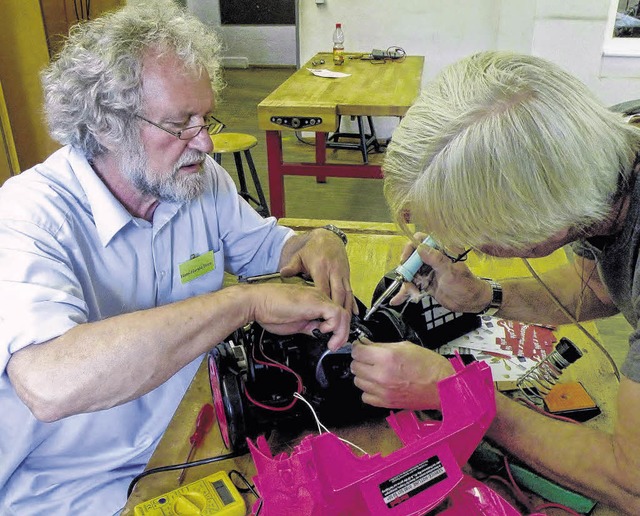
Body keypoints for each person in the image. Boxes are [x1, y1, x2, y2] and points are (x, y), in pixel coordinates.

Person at [0, 2, 354, 513]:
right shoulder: (27, 217)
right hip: (71, 489)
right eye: (179, 125)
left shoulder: (194, 182)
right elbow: (49, 383)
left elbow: (272, 249)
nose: (206, 143)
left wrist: (317, 239)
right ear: (105, 125)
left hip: (192, 438)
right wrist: (240, 304)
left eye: (204, 118)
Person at [349, 51, 640, 514]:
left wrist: (458, 393)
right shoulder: (606, 150)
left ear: (542, 222)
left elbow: (631, 483)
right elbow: (601, 288)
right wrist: (483, 296)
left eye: (470, 240)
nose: (454, 247)